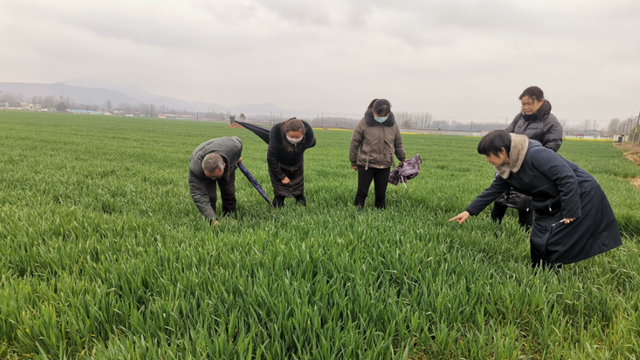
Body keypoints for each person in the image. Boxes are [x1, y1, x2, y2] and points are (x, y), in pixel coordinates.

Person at [450, 130, 621, 269]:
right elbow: (494, 189)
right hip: (548, 199)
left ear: (502, 150)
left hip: (578, 193)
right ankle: (539, 273)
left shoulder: (536, 154)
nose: (487, 160)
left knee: (556, 239)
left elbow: (567, 178)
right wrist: (469, 211)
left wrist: (570, 210)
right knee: (538, 237)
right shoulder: (506, 167)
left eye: (488, 155)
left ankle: (553, 273)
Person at [493, 86, 563, 229]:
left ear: (541, 101)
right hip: (510, 163)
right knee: (499, 198)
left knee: (524, 203)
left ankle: (524, 235)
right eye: (523, 104)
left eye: (529, 104)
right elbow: (507, 134)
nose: (525, 107)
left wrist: (531, 159)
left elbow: (552, 146)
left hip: (530, 169)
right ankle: (493, 230)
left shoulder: (551, 122)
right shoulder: (520, 117)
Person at [349, 98, 406, 209]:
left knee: (381, 194)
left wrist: (402, 157)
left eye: (384, 116)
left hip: (385, 164)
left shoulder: (392, 125)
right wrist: (353, 162)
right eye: (379, 115)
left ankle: (380, 214)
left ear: (388, 114)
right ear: (373, 111)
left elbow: (398, 143)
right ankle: (355, 213)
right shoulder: (364, 123)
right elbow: (354, 143)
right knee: (362, 192)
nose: (381, 118)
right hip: (366, 164)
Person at [188, 136, 243, 225]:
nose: (213, 179)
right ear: (203, 165)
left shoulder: (234, 147)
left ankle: (231, 217)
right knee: (210, 197)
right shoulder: (196, 169)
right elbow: (199, 195)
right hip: (201, 156)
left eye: (216, 176)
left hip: (225, 152)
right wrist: (211, 219)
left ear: (224, 166)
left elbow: (238, 141)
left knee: (229, 192)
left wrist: (237, 157)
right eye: (210, 176)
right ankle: (211, 220)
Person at [267, 117, 316, 207]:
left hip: (297, 168)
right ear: (286, 133)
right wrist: (281, 176)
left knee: (299, 194)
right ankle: (276, 213)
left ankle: (302, 214)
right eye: (291, 136)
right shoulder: (276, 140)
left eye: (297, 137)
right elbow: (271, 161)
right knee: (280, 195)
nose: (294, 138)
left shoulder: (306, 140)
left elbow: (312, 142)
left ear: (303, 134)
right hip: (279, 168)